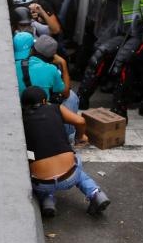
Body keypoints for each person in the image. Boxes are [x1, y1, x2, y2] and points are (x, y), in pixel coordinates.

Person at [21, 86, 110, 218]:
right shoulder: (55, 108)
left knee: (35, 171)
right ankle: (95, 193)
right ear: (45, 101)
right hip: (70, 176)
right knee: (78, 169)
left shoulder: (22, 120)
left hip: (42, 183)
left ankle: (47, 200)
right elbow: (80, 121)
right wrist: (80, 137)